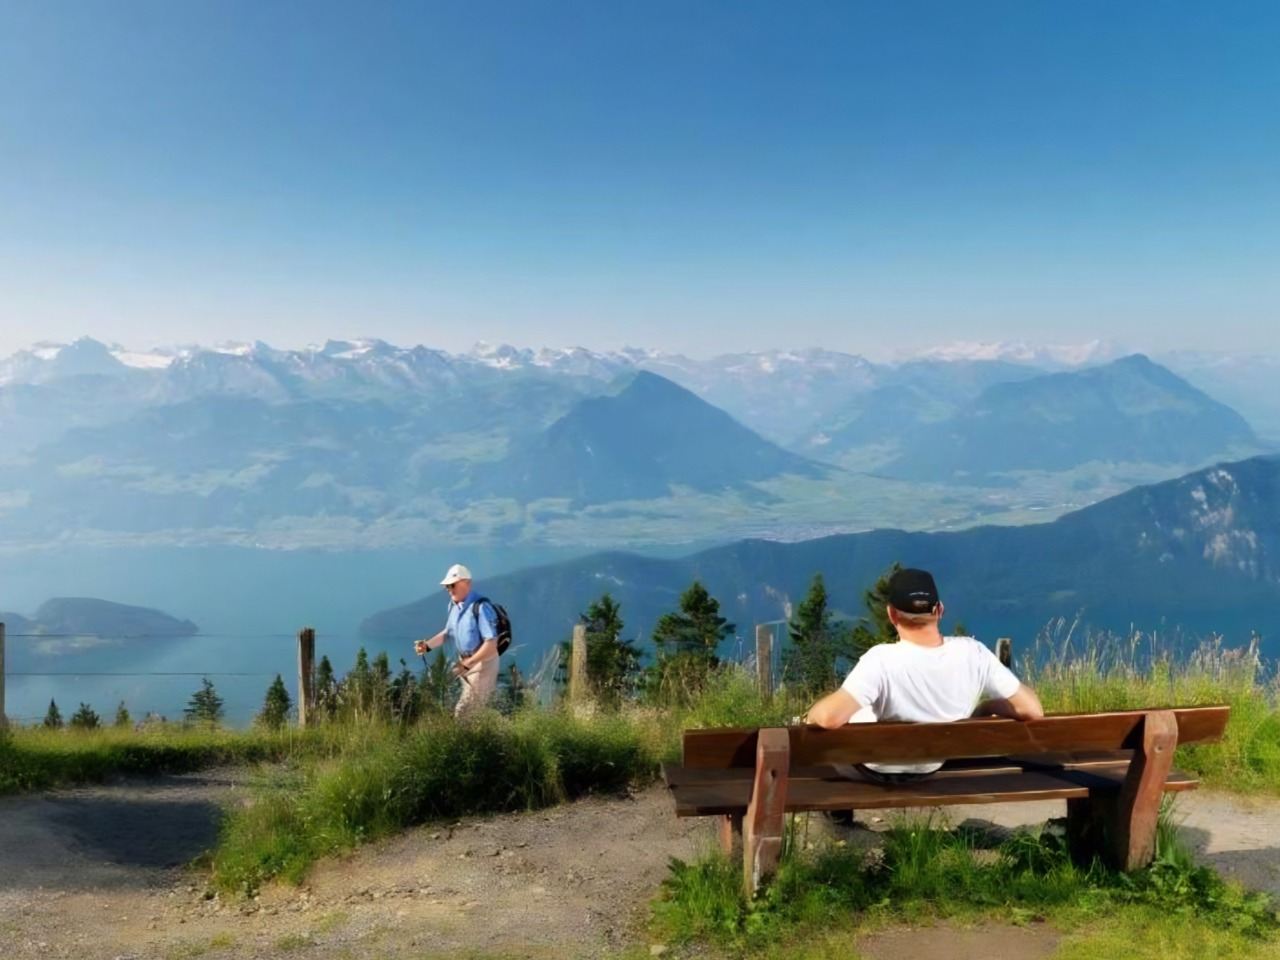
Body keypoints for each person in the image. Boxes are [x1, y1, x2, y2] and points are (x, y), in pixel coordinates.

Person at [805, 567, 1044, 784]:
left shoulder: (881, 660)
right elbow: (1032, 709)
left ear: (892, 614)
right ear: (939, 610)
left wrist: (809, 715)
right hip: (932, 765)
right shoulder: (974, 653)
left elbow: (828, 719)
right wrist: (986, 707)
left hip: (872, 767)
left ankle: (841, 815)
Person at [414, 563, 500, 717]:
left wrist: (467, 664)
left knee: (464, 712)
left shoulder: (481, 607)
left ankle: (480, 737)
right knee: (475, 711)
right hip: (465, 664)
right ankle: (494, 732)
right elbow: (448, 633)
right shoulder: (454, 606)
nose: (449, 590)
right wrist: (426, 646)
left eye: (452, 585)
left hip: (482, 665)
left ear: (467, 583)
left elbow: (491, 645)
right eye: (447, 587)